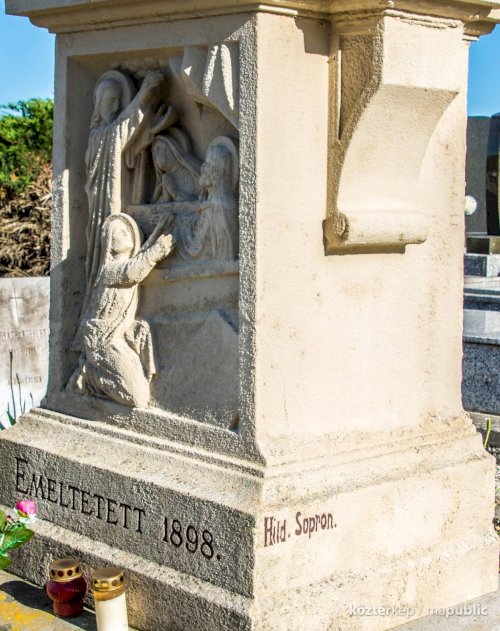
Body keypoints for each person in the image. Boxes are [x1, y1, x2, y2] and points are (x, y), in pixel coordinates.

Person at [69, 213, 174, 407]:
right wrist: (156, 251)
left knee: (138, 388)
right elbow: (132, 272)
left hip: (117, 336)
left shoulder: (129, 262)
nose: (125, 233)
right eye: (118, 232)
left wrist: (160, 229)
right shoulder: (109, 270)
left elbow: (140, 256)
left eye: (127, 230)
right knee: (138, 398)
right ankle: (89, 377)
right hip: (102, 341)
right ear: (109, 243)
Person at [176, 136, 239, 261]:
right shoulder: (210, 204)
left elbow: (221, 258)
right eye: (205, 163)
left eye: (209, 164)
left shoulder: (220, 207)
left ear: (218, 172)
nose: (203, 167)